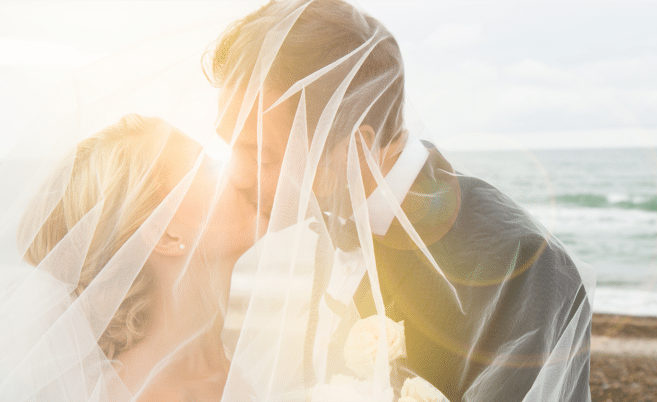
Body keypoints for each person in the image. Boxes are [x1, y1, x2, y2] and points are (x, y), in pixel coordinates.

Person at [205, 0, 595, 401]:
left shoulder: (522, 267)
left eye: (262, 155)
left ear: (356, 149)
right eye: (229, 147)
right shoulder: (314, 228)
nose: (234, 175)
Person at [0, 113, 262, 401]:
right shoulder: (151, 395)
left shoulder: (216, 370)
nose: (240, 174)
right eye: (206, 167)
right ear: (165, 235)